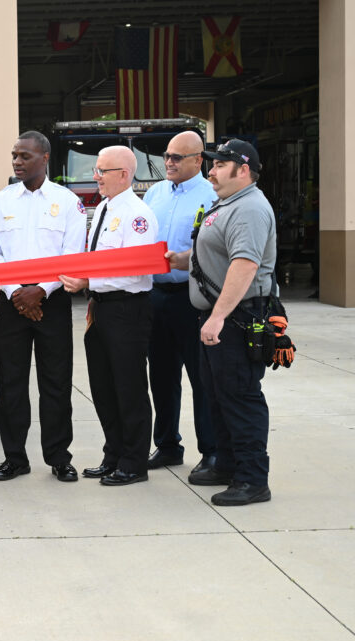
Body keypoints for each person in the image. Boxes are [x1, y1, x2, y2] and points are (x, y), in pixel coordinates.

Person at [166, 139, 276, 506]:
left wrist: (217, 317)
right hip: (220, 317)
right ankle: (227, 464)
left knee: (240, 397)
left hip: (236, 318)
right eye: (211, 165)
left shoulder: (249, 208)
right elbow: (215, 253)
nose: (210, 171)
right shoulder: (227, 204)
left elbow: (244, 265)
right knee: (217, 396)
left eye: (219, 165)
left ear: (243, 170)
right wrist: (180, 260)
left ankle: (252, 479)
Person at [0, 131, 86, 483]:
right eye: (14, 155)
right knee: (11, 385)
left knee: (56, 384)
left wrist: (40, 290)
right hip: (11, 305)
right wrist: (17, 294)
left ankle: (59, 457)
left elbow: (73, 255)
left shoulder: (68, 202)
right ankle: (15, 458)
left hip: (52, 304)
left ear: (44, 158)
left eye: (25, 156)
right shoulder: (0, 202)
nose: (17, 162)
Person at [59, 145, 157, 486]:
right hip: (100, 308)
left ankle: (134, 462)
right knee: (104, 387)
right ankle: (113, 453)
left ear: (125, 175)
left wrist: (89, 280)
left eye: (103, 170)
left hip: (127, 309)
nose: (96, 176)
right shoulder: (102, 208)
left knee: (129, 388)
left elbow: (135, 270)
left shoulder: (138, 215)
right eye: (97, 169)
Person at [142, 132, 218, 475]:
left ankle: (212, 451)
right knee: (161, 375)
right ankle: (168, 445)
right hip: (156, 296)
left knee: (202, 379)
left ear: (198, 161)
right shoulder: (155, 193)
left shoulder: (213, 195)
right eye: (167, 156)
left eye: (177, 157)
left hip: (193, 299)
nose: (168, 162)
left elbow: (215, 249)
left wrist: (184, 259)